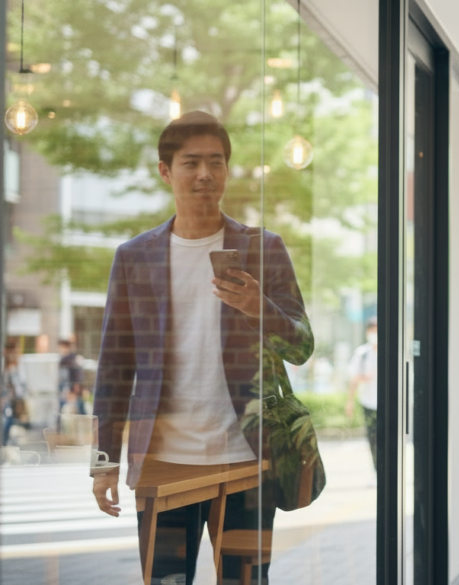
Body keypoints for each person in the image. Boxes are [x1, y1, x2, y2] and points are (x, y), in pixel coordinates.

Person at [91, 111, 313, 585]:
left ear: (228, 171)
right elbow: (114, 366)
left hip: (246, 460)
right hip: (161, 464)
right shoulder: (134, 257)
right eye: (191, 162)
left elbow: (301, 345)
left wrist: (261, 308)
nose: (205, 174)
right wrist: (104, 462)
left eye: (216, 162)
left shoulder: (264, 248)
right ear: (165, 170)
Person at [347, 317, 378, 473]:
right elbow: (353, 378)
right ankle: (376, 471)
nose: (375, 334)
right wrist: (350, 402)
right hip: (368, 402)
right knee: (372, 437)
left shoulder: (391, 350)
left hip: (387, 403)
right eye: (372, 331)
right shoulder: (362, 353)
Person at [58, 338, 86, 416]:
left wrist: (74, 388)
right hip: (67, 388)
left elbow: (78, 375)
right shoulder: (64, 359)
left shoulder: (72, 359)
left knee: (79, 407)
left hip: (71, 389)